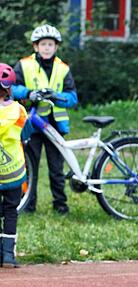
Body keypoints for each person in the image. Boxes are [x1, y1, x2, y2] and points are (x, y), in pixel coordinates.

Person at [11, 25, 78, 214]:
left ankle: (60, 204)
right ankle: (28, 204)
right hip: (32, 124)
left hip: (55, 125)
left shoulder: (63, 69)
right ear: (35, 47)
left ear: (56, 47)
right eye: (43, 44)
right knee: (29, 166)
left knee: (56, 168)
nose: (47, 48)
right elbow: (11, 88)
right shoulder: (24, 65)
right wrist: (29, 93)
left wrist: (56, 95)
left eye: (50, 44)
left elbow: (73, 98)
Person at [0, 64, 29, 268]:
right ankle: (8, 255)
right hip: (14, 172)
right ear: (10, 88)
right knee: (11, 210)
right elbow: (26, 135)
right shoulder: (19, 111)